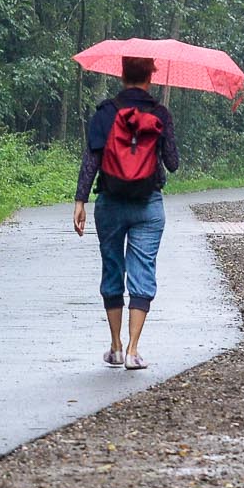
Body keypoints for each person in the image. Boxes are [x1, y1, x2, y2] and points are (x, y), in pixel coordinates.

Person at [73, 56, 180, 371]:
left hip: (110, 202)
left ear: (121, 76)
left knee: (112, 269)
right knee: (142, 271)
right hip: (149, 204)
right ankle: (134, 350)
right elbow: (173, 163)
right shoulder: (160, 113)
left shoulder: (105, 112)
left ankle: (116, 347)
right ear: (150, 77)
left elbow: (91, 160)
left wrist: (80, 200)